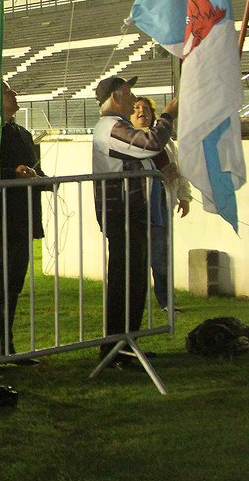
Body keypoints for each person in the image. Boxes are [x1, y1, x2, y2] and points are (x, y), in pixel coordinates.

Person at [92, 75, 177, 368]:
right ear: (116, 96)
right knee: (125, 283)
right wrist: (167, 116)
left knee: (134, 283)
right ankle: (116, 349)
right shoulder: (111, 128)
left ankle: (126, 345)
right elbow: (150, 143)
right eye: (128, 93)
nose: (133, 99)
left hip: (131, 214)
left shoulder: (114, 126)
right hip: (123, 215)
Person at [0, 82, 47, 365]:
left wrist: (44, 180)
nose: (15, 95)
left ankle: (5, 348)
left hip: (23, 220)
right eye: (9, 91)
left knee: (13, 288)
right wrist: (14, 174)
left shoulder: (23, 133)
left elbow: (35, 169)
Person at [132, 96, 190, 311]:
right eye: (137, 108)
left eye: (145, 108)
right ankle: (134, 301)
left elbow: (178, 169)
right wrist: (159, 175)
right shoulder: (130, 139)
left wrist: (184, 196)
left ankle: (166, 300)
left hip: (164, 203)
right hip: (140, 206)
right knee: (139, 256)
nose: (142, 112)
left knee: (161, 254)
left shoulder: (167, 142)